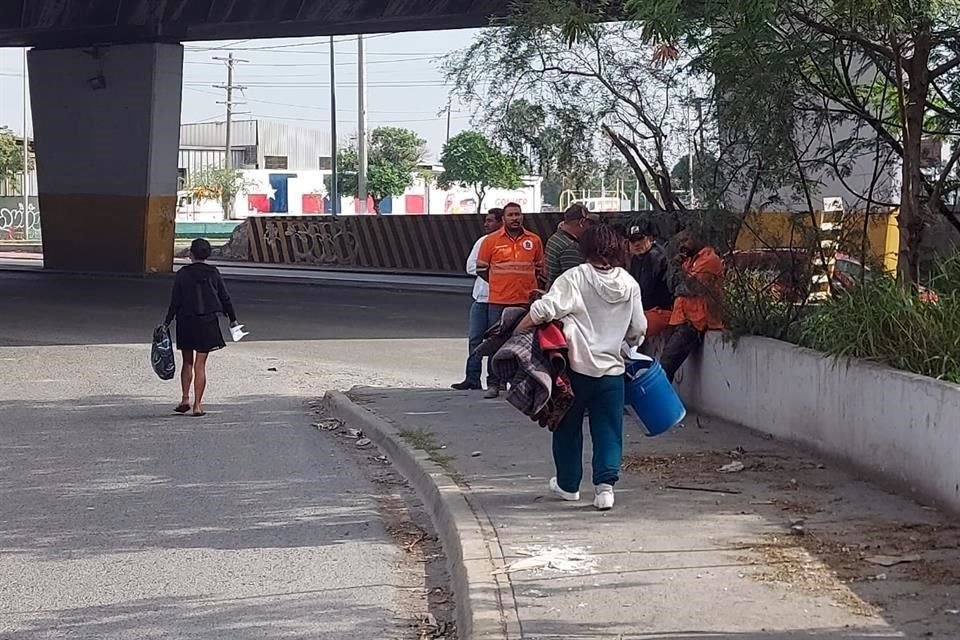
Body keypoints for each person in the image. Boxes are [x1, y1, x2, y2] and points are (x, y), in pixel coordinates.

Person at [516, 224, 647, 510]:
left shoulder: (575, 278)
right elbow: (639, 327)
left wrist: (515, 332)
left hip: (574, 370)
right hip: (612, 371)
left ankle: (568, 485)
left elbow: (543, 310)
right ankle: (605, 489)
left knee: (566, 426)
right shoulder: (629, 283)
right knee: (609, 428)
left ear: (586, 248)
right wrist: (625, 345)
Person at [476, 202, 545, 399]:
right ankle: (493, 383)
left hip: (525, 301)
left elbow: (540, 269)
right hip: (499, 300)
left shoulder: (534, 240)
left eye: (518, 214)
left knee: (523, 344)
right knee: (495, 342)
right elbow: (481, 269)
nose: (515, 218)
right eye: (511, 215)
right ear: (504, 218)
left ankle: (517, 384)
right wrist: (499, 282)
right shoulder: (491, 241)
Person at [164, 238, 239, 417]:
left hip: (186, 320)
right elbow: (224, 297)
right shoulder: (213, 273)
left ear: (190, 254)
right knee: (200, 365)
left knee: (187, 362)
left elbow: (175, 301)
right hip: (207, 321)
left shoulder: (182, 274)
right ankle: (198, 405)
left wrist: (167, 322)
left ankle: (184, 399)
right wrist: (233, 319)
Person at [661, 227, 724, 382]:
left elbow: (692, 287)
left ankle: (662, 403)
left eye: (685, 240)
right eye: (680, 242)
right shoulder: (689, 260)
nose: (682, 245)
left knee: (666, 365)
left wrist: (679, 274)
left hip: (695, 321)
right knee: (664, 361)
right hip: (680, 318)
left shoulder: (709, 259)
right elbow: (673, 286)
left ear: (697, 239)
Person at [451, 208, 504, 391]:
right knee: (475, 339)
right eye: (486, 220)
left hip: (501, 298)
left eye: (490, 220)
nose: (486, 224)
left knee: (496, 341)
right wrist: (494, 271)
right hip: (482, 298)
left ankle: (495, 381)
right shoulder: (483, 242)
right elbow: (471, 266)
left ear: (500, 221)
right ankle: (472, 378)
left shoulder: (513, 244)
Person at [627, 223, 674, 340]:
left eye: (640, 238)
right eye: (632, 240)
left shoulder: (656, 257)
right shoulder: (636, 259)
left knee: (629, 330)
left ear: (650, 239)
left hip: (661, 311)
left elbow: (646, 290)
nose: (636, 243)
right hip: (645, 311)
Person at [544, 203, 597, 286]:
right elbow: (576, 281)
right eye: (589, 223)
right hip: (566, 296)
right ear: (581, 222)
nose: (589, 228)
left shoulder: (554, 238)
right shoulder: (570, 247)